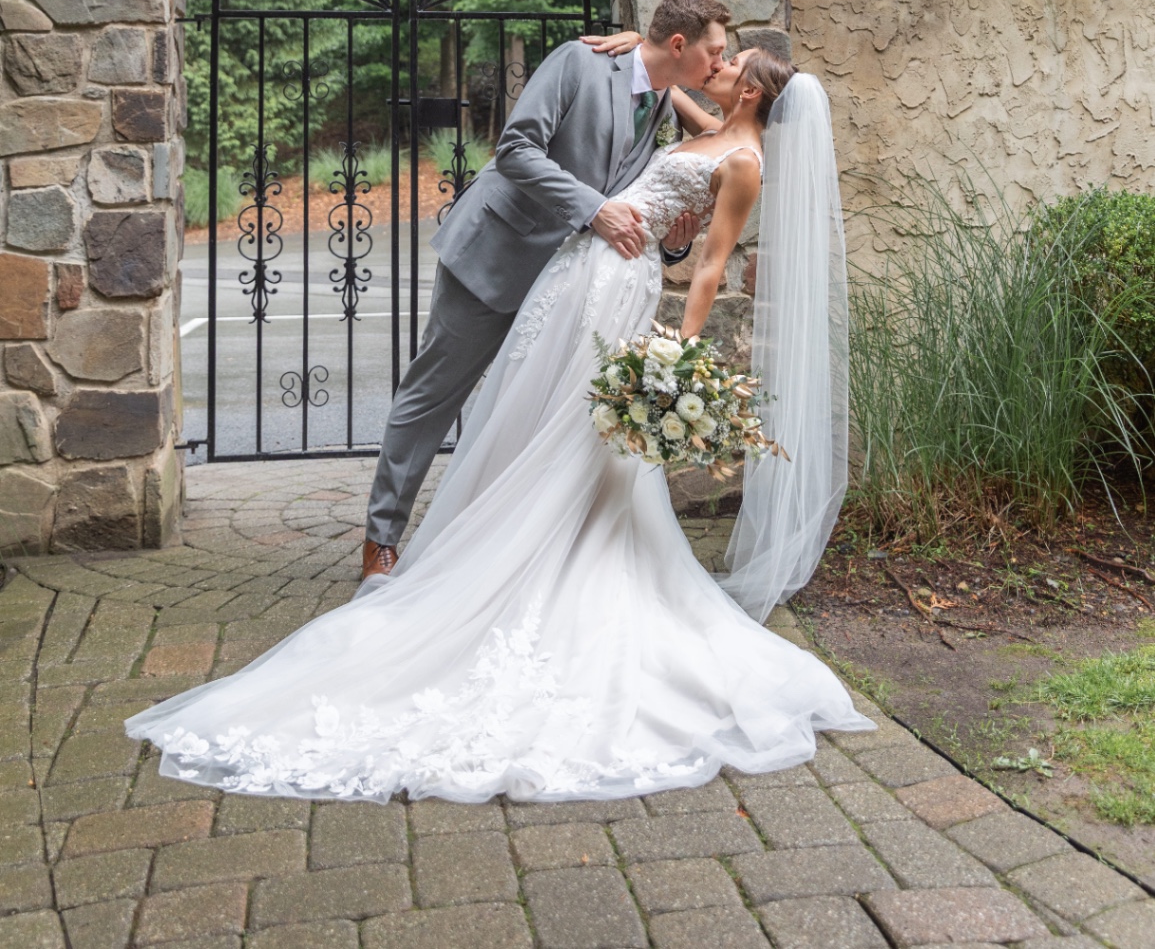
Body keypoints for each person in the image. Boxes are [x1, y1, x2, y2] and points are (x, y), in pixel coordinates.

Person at [126, 42, 871, 803]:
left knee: (579, 431)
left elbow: (708, 261)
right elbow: (661, 78)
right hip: (578, 269)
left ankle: (553, 552)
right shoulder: (701, 117)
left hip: (620, 282)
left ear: (749, 90)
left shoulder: (743, 159)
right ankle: (430, 536)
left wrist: (677, 357)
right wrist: (630, 35)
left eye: (730, 60)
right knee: (529, 408)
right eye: (711, 51)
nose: (717, 63)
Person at [361, 0, 731, 578]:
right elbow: (515, 148)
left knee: (532, 414)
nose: (718, 64)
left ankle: (500, 543)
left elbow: (643, 197)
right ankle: (381, 538)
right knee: (434, 393)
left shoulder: (663, 106)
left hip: (570, 287)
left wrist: (676, 237)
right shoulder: (577, 62)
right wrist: (593, 209)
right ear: (681, 44)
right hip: (497, 257)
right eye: (714, 52)